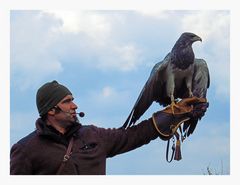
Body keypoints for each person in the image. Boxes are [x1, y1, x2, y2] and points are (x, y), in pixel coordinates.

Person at [10, 80, 208, 175]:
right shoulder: (26, 150)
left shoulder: (92, 135)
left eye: (73, 100)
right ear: (51, 110)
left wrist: (172, 114)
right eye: (67, 102)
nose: (75, 106)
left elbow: (133, 135)